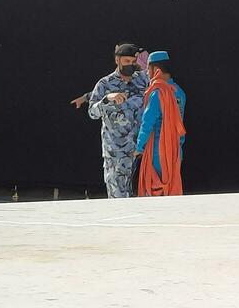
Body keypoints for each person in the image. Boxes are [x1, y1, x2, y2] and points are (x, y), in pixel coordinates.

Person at [72, 42, 149, 198]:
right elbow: (92, 112)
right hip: (116, 149)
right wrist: (107, 99)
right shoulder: (105, 84)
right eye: (126, 61)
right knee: (118, 194)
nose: (130, 65)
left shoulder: (142, 79)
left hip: (140, 146)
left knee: (141, 192)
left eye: (133, 62)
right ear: (117, 60)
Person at [136, 50, 186, 197]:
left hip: (158, 151)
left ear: (155, 70)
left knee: (155, 191)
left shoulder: (158, 92)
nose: (147, 73)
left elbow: (147, 122)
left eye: (148, 70)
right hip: (175, 150)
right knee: (170, 190)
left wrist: (139, 146)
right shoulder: (180, 92)